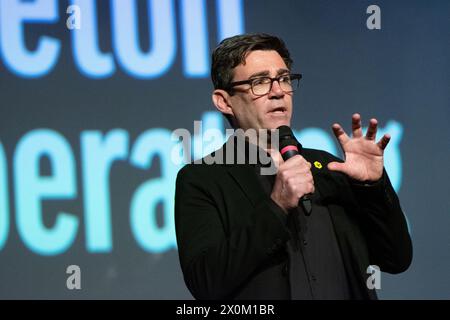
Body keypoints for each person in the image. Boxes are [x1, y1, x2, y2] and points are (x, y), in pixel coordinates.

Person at [174, 33, 412, 300]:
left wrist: (371, 187)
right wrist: (276, 206)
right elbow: (206, 283)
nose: (278, 92)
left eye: (284, 79)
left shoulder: (329, 168)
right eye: (260, 82)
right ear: (224, 101)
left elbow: (396, 259)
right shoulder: (202, 179)